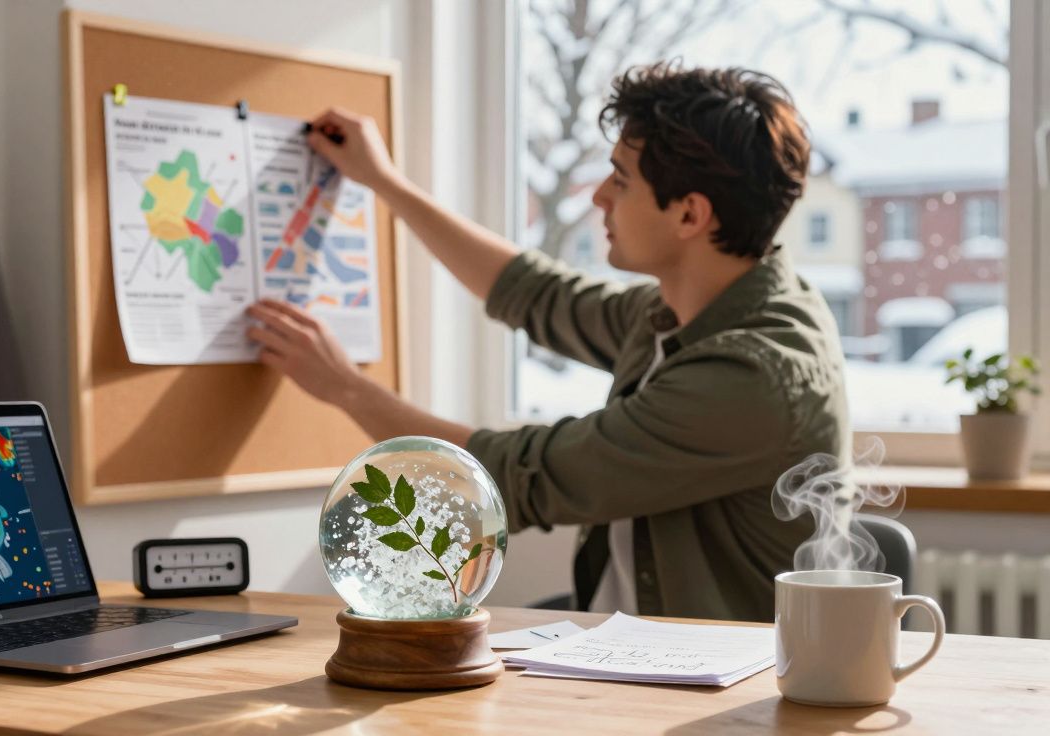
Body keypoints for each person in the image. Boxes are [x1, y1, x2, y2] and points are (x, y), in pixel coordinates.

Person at [246, 62, 848, 622]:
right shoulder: (680, 310)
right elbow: (535, 293)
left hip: (711, 686)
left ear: (689, 215)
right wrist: (384, 182)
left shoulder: (753, 375)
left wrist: (346, 388)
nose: (598, 196)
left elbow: (518, 477)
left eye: (620, 180)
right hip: (622, 650)